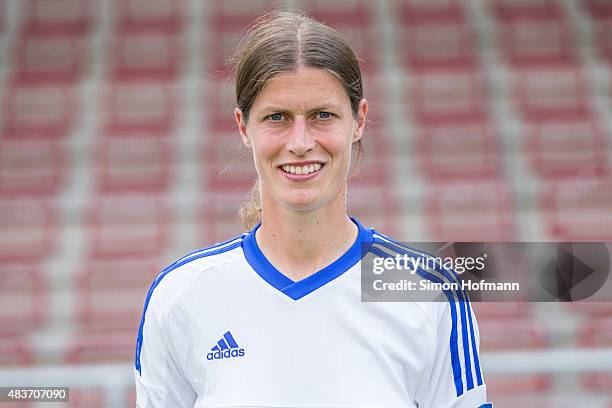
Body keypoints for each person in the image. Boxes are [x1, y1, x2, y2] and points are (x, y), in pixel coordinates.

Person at [134, 10, 490, 408]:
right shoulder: (181, 295)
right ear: (242, 126)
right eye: (277, 117)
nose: (300, 142)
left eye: (322, 115)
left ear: (359, 120)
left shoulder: (427, 290)